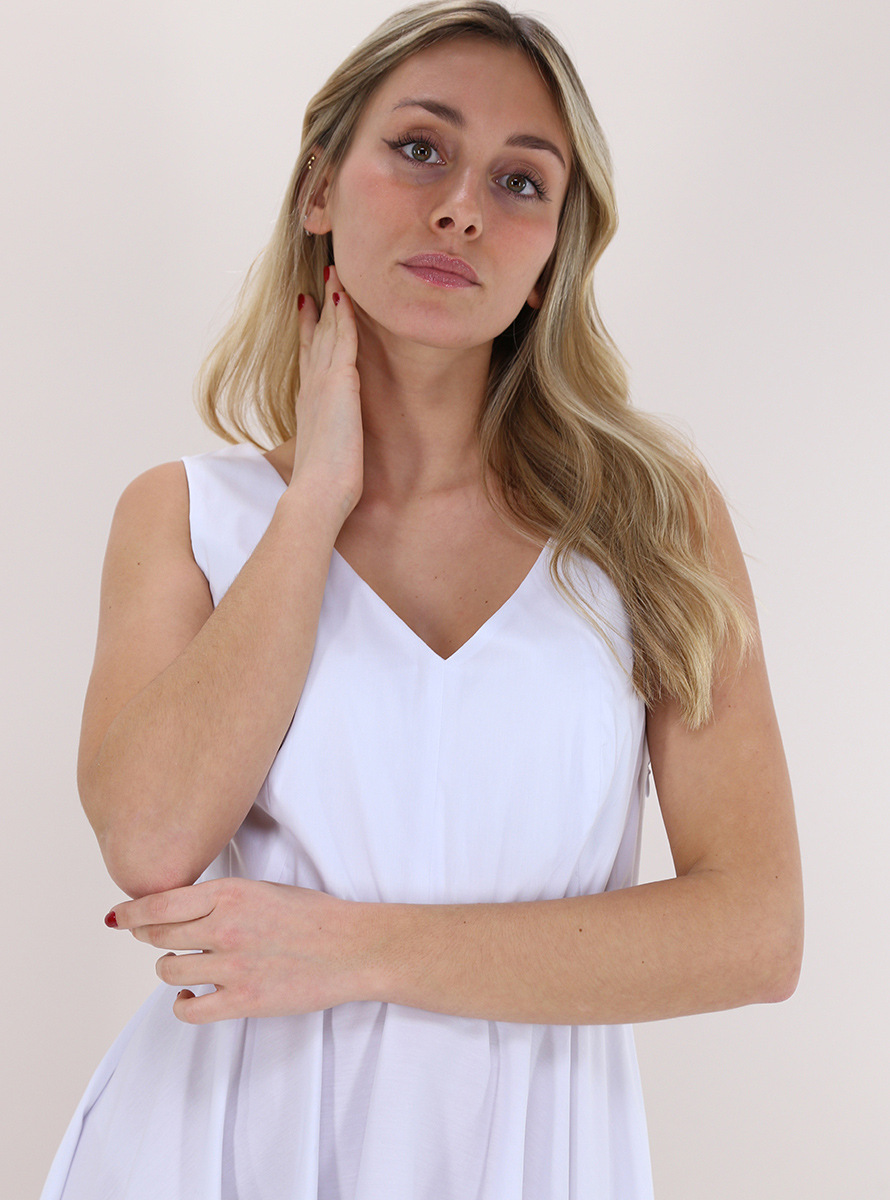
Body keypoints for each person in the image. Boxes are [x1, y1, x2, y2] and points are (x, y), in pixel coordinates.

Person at [41, 2, 803, 1197]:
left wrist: (353, 952)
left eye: (519, 181)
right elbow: (149, 842)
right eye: (418, 148)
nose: (459, 208)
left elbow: (754, 935)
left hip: (533, 1160)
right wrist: (314, 503)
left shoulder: (650, 523)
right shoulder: (188, 515)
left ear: (552, 257)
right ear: (318, 190)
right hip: (220, 1150)